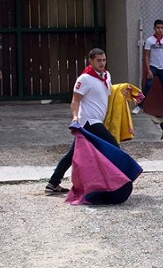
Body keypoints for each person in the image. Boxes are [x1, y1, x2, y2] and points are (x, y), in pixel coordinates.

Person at [45, 48, 119, 195]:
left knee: (72, 154)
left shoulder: (106, 75)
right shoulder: (84, 79)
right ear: (90, 61)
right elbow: (75, 100)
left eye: (104, 60)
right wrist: (75, 117)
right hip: (88, 122)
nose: (102, 63)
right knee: (113, 146)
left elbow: (108, 93)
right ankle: (118, 180)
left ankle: (52, 183)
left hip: (97, 120)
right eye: (98, 60)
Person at [142, 20, 163, 121]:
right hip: (153, 66)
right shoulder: (150, 40)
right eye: (158, 28)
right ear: (154, 28)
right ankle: (139, 106)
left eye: (161, 28)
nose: (160, 30)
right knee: (148, 85)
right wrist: (148, 69)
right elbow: (147, 55)